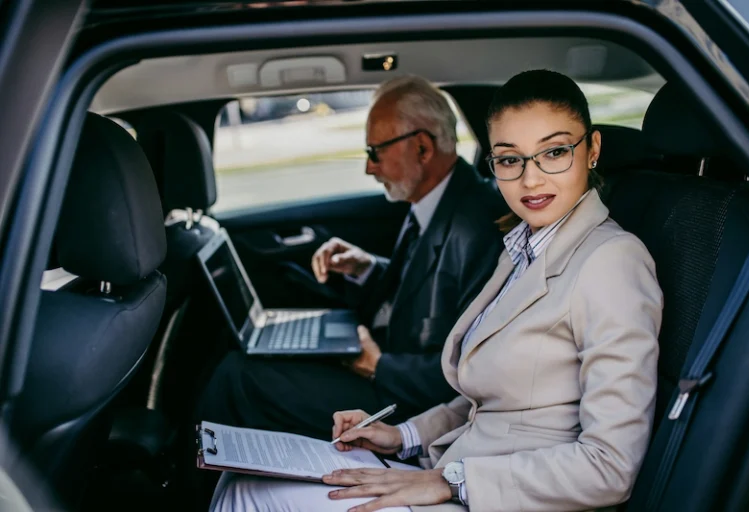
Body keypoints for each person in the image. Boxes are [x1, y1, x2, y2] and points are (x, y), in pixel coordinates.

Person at [209, 69, 664, 512]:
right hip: (454, 467)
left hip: (499, 495)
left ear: (592, 149)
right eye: (510, 159)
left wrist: (450, 482)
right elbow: (486, 398)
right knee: (241, 478)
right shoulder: (522, 249)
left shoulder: (612, 260)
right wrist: (401, 436)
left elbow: (610, 467)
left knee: (250, 494)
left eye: (555, 152)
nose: (531, 179)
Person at [195, 75, 506, 438]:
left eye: (375, 152)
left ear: (422, 148)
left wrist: (379, 365)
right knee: (252, 354)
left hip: (408, 403)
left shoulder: (479, 228)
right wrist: (366, 268)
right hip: (384, 361)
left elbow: (476, 369)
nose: (369, 168)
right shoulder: (433, 202)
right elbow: (421, 287)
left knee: (237, 377)